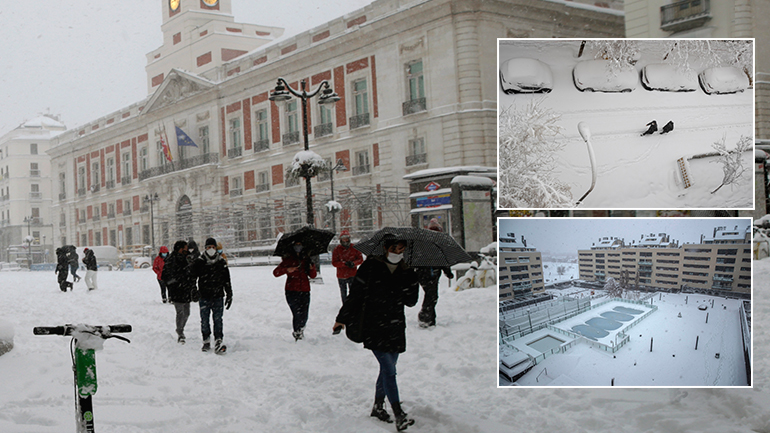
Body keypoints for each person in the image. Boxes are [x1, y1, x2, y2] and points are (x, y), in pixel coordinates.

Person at [334, 237, 419, 431]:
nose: (398, 253)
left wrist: (412, 282)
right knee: (389, 370)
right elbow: (356, 294)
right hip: (375, 325)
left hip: (396, 326)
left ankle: (378, 407)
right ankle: (399, 414)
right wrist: (342, 318)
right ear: (385, 248)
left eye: (401, 250)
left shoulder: (407, 271)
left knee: (387, 369)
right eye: (394, 249)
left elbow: (411, 301)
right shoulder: (371, 266)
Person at [190, 237, 233, 353]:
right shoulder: (200, 262)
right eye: (209, 247)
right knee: (204, 319)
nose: (211, 249)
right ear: (205, 248)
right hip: (204, 295)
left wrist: (229, 293)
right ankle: (206, 339)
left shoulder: (221, 262)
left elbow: (226, 279)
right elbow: (193, 277)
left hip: (218, 295)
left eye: (213, 247)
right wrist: (193, 290)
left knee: (218, 319)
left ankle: (218, 338)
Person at [273, 240, 317, 341]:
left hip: (305, 289)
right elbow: (276, 272)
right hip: (291, 290)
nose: (298, 247)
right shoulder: (288, 260)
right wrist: (287, 270)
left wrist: (312, 268)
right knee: (296, 313)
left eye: (300, 245)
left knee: (304, 313)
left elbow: (313, 275)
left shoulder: (306, 259)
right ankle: (297, 331)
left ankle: (301, 329)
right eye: (296, 245)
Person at [416, 219, 454, 328]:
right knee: (432, 296)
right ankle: (425, 317)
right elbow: (443, 261)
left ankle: (428, 317)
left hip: (426, 274)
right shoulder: (435, 245)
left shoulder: (424, 244)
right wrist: (448, 272)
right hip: (429, 274)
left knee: (431, 295)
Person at [162, 240, 195, 344]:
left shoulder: (188, 258)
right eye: (185, 248)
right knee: (180, 312)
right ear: (180, 248)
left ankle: (180, 328)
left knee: (187, 313)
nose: (187, 250)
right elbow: (165, 276)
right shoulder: (171, 259)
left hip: (186, 289)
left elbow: (192, 271)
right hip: (177, 290)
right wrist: (174, 282)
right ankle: (180, 332)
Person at [332, 230, 363, 304]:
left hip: (352, 274)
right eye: (343, 238)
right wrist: (344, 264)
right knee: (343, 292)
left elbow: (360, 259)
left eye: (346, 238)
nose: (345, 240)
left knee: (353, 291)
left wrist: (353, 263)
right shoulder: (337, 250)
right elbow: (334, 263)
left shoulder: (355, 248)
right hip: (341, 275)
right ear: (340, 240)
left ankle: (353, 304)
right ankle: (345, 305)